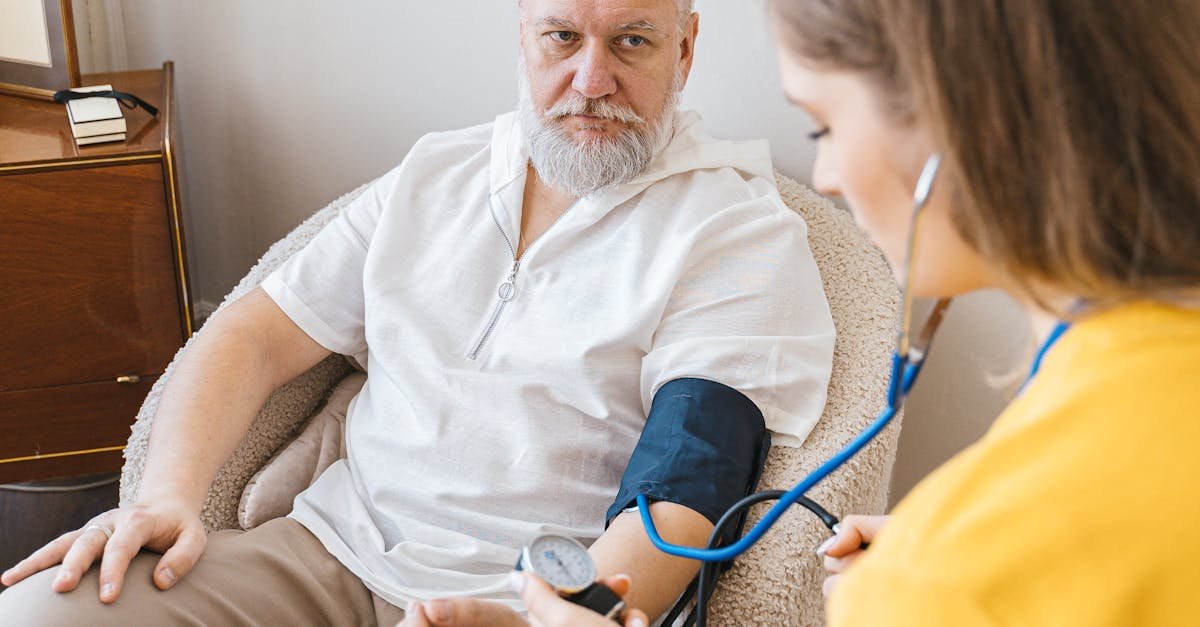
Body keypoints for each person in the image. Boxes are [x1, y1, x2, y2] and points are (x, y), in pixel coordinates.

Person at [0, 0, 837, 625]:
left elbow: (687, 483)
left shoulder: (735, 233)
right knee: (46, 611)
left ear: (684, 49)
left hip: (520, 599)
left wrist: (560, 614)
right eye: (562, 38)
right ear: (522, 35)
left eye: (631, 42)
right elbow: (253, 334)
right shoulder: (438, 172)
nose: (591, 80)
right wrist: (168, 495)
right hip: (319, 558)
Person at [404, 0, 1200, 624]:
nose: (822, 173)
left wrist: (946, 576)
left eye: (823, 123)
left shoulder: (948, 579)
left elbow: (687, 472)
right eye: (561, 38)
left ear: (973, 126)